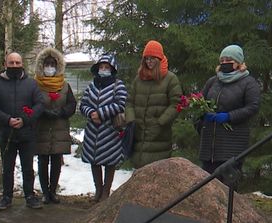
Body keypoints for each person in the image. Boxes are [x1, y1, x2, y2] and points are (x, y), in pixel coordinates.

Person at [0, 52, 45, 210]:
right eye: (11, 62)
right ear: (5, 64)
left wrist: (25, 120)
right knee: (8, 167)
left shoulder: (31, 84)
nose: (15, 65)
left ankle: (29, 196)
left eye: (17, 62)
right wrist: (7, 119)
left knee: (28, 167)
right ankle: (7, 197)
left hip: (27, 133)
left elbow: (39, 104)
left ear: (22, 64)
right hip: (7, 134)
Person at [198, 44, 261, 180]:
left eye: (229, 60)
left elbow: (253, 107)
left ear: (238, 63)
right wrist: (203, 114)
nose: (224, 63)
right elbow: (200, 100)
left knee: (226, 188)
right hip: (209, 147)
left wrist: (229, 116)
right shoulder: (212, 81)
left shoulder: (248, 83)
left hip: (232, 146)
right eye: (222, 60)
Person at [125, 40, 182, 169]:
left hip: (159, 136)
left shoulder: (170, 79)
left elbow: (176, 104)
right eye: (147, 59)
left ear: (159, 59)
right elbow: (129, 102)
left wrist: (160, 122)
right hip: (138, 135)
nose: (149, 62)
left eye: (152, 59)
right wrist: (131, 120)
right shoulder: (138, 79)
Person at [80, 54, 128, 202]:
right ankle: (98, 190)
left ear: (112, 69)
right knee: (94, 161)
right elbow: (83, 105)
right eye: (101, 67)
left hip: (110, 130)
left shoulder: (118, 85)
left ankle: (106, 192)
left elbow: (121, 104)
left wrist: (101, 113)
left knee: (109, 161)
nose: (103, 70)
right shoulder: (91, 86)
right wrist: (91, 113)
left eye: (107, 67)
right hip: (92, 131)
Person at [33, 47, 76, 204]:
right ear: (41, 66)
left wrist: (62, 112)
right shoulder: (35, 84)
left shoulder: (64, 85)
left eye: (52, 64)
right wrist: (43, 111)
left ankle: (53, 191)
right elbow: (33, 102)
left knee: (56, 160)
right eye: (47, 64)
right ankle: (45, 192)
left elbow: (72, 104)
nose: (49, 67)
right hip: (42, 128)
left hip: (59, 127)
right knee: (43, 160)